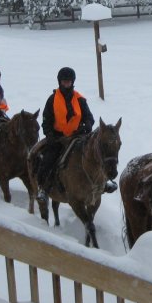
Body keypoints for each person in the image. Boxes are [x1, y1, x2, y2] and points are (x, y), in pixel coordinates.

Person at [35, 67, 97, 203]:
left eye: (69, 82)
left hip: (78, 136)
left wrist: (87, 124)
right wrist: (50, 135)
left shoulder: (80, 99)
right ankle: (43, 188)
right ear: (59, 82)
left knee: (95, 154)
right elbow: (46, 120)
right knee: (48, 160)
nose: (66, 84)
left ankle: (103, 182)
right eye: (64, 82)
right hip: (58, 138)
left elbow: (89, 117)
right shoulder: (52, 100)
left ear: (73, 82)